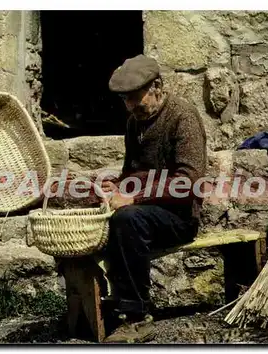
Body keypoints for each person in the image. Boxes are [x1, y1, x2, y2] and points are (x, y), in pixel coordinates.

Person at [99, 54, 208, 343]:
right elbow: (132, 174)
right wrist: (116, 186)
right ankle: (117, 302)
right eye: (125, 100)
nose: (131, 106)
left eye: (136, 98)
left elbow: (189, 182)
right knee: (112, 215)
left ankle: (138, 318)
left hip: (180, 216)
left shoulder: (182, 116)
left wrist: (134, 199)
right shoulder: (135, 122)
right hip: (148, 212)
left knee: (127, 218)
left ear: (157, 87)